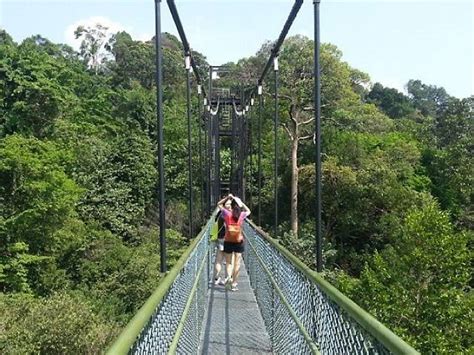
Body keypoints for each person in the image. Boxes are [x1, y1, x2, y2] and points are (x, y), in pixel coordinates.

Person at [217, 193, 251, 291]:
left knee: (228, 262)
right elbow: (248, 210)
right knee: (237, 263)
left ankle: (228, 277)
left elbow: (219, 204)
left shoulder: (227, 214)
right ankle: (234, 283)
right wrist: (241, 203)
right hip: (238, 241)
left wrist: (228, 197)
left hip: (228, 240)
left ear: (231, 206)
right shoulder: (242, 215)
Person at [213, 196, 232, 285]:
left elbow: (218, 204)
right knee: (229, 262)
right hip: (230, 239)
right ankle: (228, 278)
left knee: (219, 260)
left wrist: (227, 197)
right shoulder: (233, 214)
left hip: (221, 238)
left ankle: (218, 278)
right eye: (229, 204)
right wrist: (234, 199)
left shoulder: (221, 212)